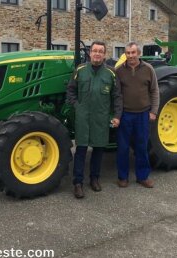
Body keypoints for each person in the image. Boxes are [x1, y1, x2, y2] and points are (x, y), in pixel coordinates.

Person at [66, 41, 122, 199]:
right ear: (90, 53)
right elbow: (71, 90)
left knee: (98, 149)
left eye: (101, 51)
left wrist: (117, 116)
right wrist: (77, 106)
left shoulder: (111, 73)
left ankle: (95, 179)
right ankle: (78, 183)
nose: (97, 54)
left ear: (104, 54)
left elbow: (117, 97)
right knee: (81, 149)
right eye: (95, 51)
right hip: (83, 116)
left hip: (101, 116)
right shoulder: (80, 70)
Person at [114, 42, 159, 188]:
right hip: (126, 114)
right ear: (125, 54)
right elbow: (117, 95)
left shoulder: (148, 69)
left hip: (143, 115)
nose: (131, 56)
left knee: (142, 146)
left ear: (138, 53)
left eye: (133, 52)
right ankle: (123, 177)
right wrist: (117, 115)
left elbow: (154, 91)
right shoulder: (119, 71)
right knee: (123, 147)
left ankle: (143, 177)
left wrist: (153, 111)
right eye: (128, 53)